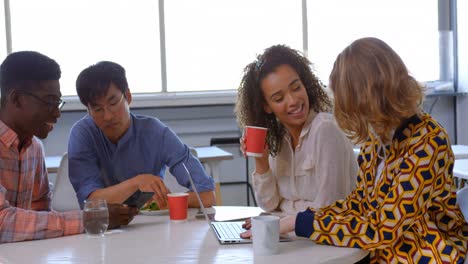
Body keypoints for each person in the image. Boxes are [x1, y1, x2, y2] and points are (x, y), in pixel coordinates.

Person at [243, 38, 468, 263]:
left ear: (368, 96)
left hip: (428, 253)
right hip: (380, 251)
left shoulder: (427, 140)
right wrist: (296, 219)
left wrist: (299, 222)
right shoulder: (377, 138)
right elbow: (359, 204)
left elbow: (384, 229)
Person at [0, 51, 137, 243]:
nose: (57, 113)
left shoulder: (34, 148)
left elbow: (41, 215)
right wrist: (89, 219)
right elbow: (2, 224)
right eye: (49, 102)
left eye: (58, 103)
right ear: (17, 99)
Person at [68, 61, 215, 210]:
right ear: (88, 110)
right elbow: (91, 202)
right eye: (97, 109)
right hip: (105, 228)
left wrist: (167, 201)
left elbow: (207, 195)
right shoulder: (82, 134)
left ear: (128, 96)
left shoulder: (155, 132)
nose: (107, 116)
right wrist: (136, 183)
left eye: (113, 103)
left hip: (152, 226)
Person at [235, 45, 357, 215]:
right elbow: (269, 205)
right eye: (279, 98)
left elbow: (329, 208)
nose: (293, 101)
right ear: (267, 107)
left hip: (327, 239)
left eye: (296, 87)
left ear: (305, 84)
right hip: (296, 236)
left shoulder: (325, 129)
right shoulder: (279, 137)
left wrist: (285, 209)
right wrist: (261, 162)